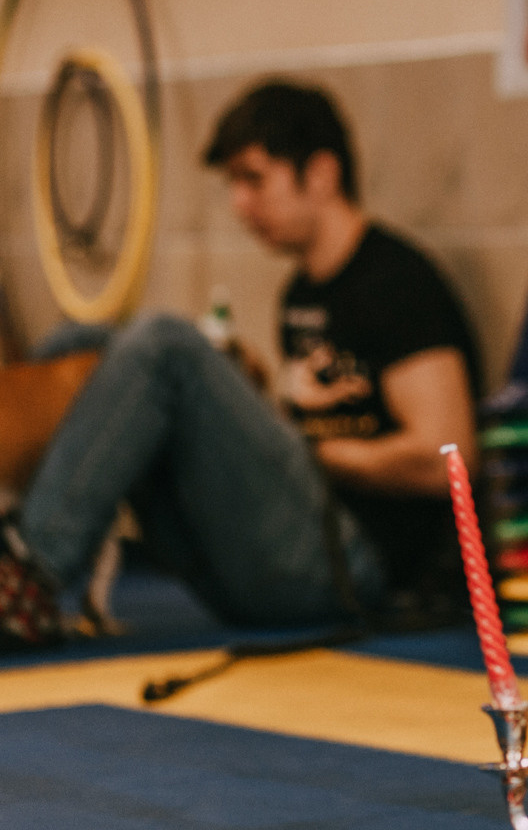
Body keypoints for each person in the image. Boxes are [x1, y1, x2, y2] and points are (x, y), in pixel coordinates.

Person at [3, 81, 481, 635]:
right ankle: (22, 559)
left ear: (322, 174)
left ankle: (30, 575)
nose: (240, 205)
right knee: (82, 344)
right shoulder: (300, 293)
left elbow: (447, 460)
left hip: (354, 568)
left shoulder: (396, 283)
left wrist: (314, 453)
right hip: (274, 555)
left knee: (165, 343)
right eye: (232, 184)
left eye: (254, 179)